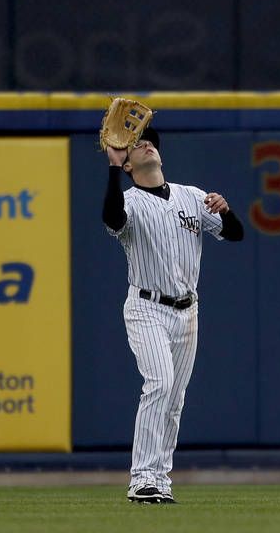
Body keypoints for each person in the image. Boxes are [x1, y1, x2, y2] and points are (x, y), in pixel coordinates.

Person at [102, 127, 244, 504]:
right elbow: (113, 219)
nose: (146, 143)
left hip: (187, 311)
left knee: (175, 398)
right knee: (160, 383)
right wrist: (113, 170)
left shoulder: (193, 197)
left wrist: (227, 212)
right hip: (146, 306)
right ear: (129, 163)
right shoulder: (129, 200)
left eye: (150, 141)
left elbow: (235, 235)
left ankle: (160, 479)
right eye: (136, 144)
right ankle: (142, 478)